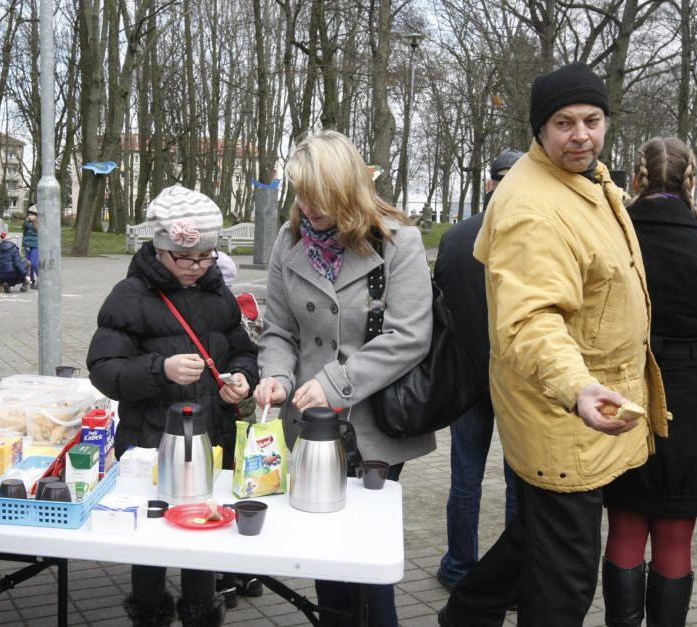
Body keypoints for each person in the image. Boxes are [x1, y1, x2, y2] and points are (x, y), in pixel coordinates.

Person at [438, 62, 670, 627]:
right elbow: (530, 320)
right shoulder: (532, 208)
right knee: (564, 580)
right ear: (540, 130)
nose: (581, 135)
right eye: (563, 123)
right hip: (565, 413)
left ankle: (464, 616)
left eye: (592, 120)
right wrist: (578, 387)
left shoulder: (584, 181)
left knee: (531, 537)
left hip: (582, 406)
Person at [253, 130, 435, 626]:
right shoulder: (288, 242)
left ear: (349, 189)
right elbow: (278, 331)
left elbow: (409, 336)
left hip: (374, 427)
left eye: (320, 196)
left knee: (363, 557)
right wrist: (276, 377)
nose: (307, 206)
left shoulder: (400, 241)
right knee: (327, 556)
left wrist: (335, 383)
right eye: (300, 193)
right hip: (309, 427)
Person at [87, 184, 258, 627]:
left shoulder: (217, 291)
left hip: (211, 437)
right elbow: (104, 368)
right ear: (161, 248)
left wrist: (241, 379)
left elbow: (242, 351)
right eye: (187, 258)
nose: (197, 268)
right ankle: (149, 612)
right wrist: (159, 369)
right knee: (153, 539)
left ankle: (202, 612)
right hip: (150, 443)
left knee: (202, 534)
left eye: (206, 257)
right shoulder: (130, 296)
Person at [600, 138, 697, 627]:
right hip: (693, 404)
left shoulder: (612, 239)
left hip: (620, 396)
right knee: (677, 535)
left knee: (625, 527)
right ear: (691, 181)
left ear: (636, 180)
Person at [434, 150, 523, 592]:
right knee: (518, 482)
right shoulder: (532, 235)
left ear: (490, 183)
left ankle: (460, 568)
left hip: (468, 376)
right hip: (518, 380)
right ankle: (509, 577)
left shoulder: (455, 238)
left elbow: (442, 304)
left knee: (465, 478)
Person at [23, 205, 39, 288]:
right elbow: (24, 234)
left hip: (36, 246)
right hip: (28, 246)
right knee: (28, 264)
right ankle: (32, 281)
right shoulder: (26, 223)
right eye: (29, 214)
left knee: (33, 262)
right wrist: (24, 244)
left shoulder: (39, 224)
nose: (30, 216)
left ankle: (42, 279)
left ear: (36, 215)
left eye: (32, 215)